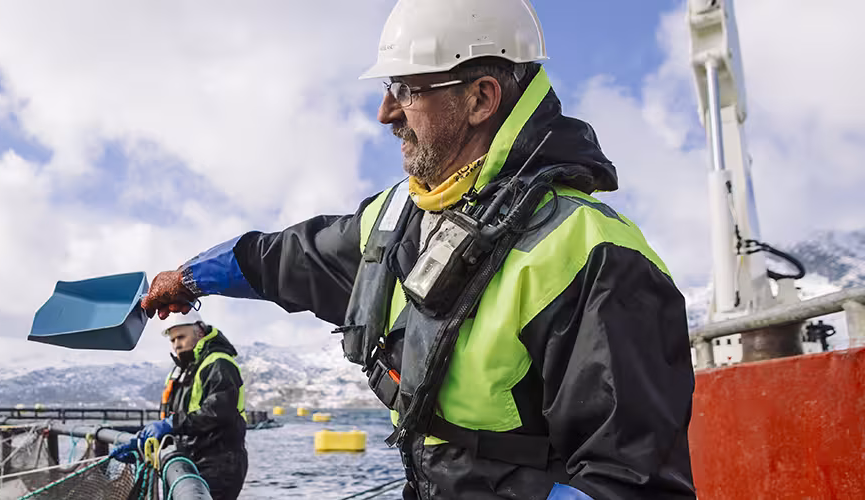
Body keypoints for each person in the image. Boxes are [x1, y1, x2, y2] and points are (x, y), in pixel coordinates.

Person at [137, 1, 697, 499]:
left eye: (406, 89)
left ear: (481, 99)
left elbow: (628, 481)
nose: (385, 113)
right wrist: (188, 279)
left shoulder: (594, 255)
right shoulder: (396, 219)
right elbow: (289, 258)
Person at [110, 310, 249, 500]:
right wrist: (141, 443)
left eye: (181, 337)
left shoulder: (219, 363)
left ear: (199, 332)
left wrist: (171, 424)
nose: (177, 344)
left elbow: (218, 412)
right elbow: (169, 416)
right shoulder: (179, 372)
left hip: (220, 462)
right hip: (188, 457)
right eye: (173, 340)